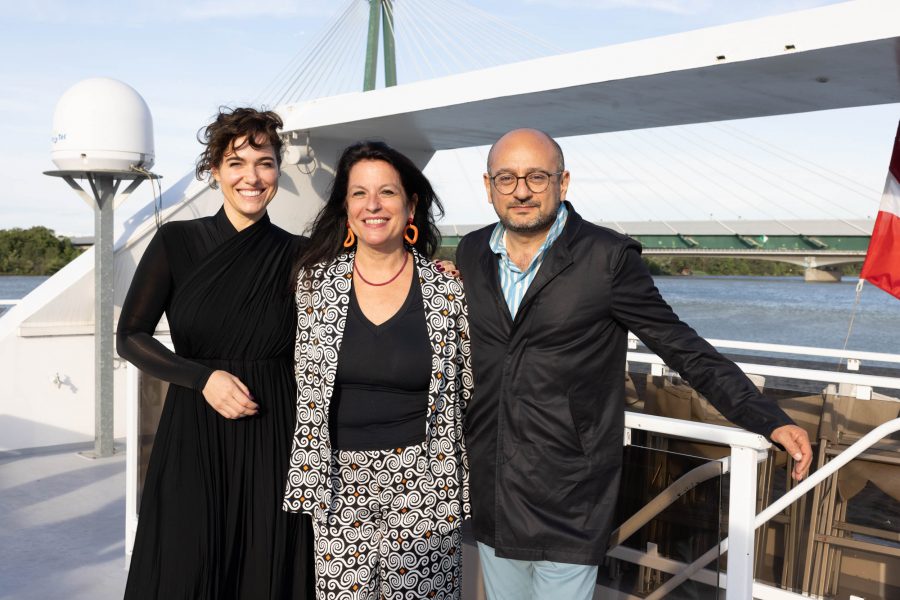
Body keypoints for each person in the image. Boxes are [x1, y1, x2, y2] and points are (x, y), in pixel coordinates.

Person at [454, 128, 814, 600]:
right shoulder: (472, 253)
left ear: (563, 183)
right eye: (507, 178)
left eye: (537, 177)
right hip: (494, 485)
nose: (521, 190)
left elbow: (680, 346)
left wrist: (766, 417)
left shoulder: (607, 259)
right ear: (488, 187)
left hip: (569, 491)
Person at [117, 107, 314, 599]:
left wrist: (437, 274)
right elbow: (131, 335)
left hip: (276, 431)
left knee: (263, 566)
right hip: (194, 427)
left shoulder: (304, 254)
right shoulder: (175, 241)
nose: (252, 177)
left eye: (265, 163)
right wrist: (203, 379)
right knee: (188, 565)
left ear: (277, 171)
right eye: (236, 162)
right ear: (215, 172)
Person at [282, 140, 472, 600]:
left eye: (387, 192)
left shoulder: (447, 290)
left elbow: (468, 385)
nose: (373, 205)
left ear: (410, 206)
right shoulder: (313, 285)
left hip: (426, 483)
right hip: (336, 484)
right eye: (359, 193)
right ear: (345, 208)